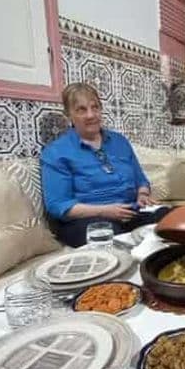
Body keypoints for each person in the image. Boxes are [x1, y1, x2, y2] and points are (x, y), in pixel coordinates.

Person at [41, 82, 169, 247]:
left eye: (95, 108)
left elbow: (141, 180)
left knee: (172, 219)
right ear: (68, 114)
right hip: (86, 220)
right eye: (81, 110)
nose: (90, 115)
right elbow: (59, 206)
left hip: (130, 213)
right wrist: (105, 211)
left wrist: (143, 195)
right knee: (112, 238)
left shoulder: (119, 142)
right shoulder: (56, 152)